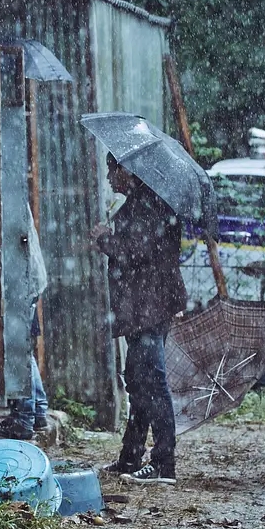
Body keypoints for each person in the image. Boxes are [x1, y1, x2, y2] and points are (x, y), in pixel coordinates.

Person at [91, 153, 187, 485]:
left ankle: (164, 463)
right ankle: (131, 455)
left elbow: (136, 251)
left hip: (150, 307)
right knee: (138, 378)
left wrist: (104, 238)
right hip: (146, 306)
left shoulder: (150, 201)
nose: (108, 178)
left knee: (152, 380)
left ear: (126, 170)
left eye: (110, 170)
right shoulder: (144, 199)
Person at [0, 204, 51, 440]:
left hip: (24, 279)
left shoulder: (9, 198)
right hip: (28, 277)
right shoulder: (14, 196)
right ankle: (38, 411)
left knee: (18, 350)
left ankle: (24, 419)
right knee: (23, 349)